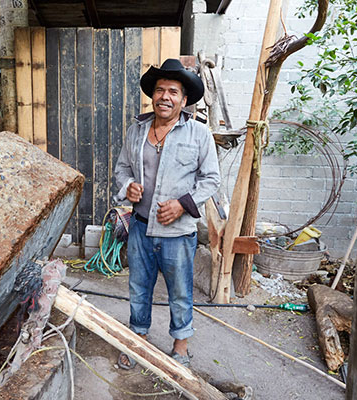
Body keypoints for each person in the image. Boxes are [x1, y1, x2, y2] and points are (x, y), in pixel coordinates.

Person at [113, 58, 220, 369]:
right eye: (160, 90)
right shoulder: (136, 131)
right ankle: (138, 340)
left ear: (184, 100)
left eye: (173, 91)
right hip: (140, 228)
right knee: (138, 287)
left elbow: (211, 179)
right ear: (153, 95)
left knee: (180, 290)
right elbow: (121, 169)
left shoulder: (199, 134)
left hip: (177, 232)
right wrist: (129, 185)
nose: (165, 96)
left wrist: (183, 203)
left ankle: (181, 348)